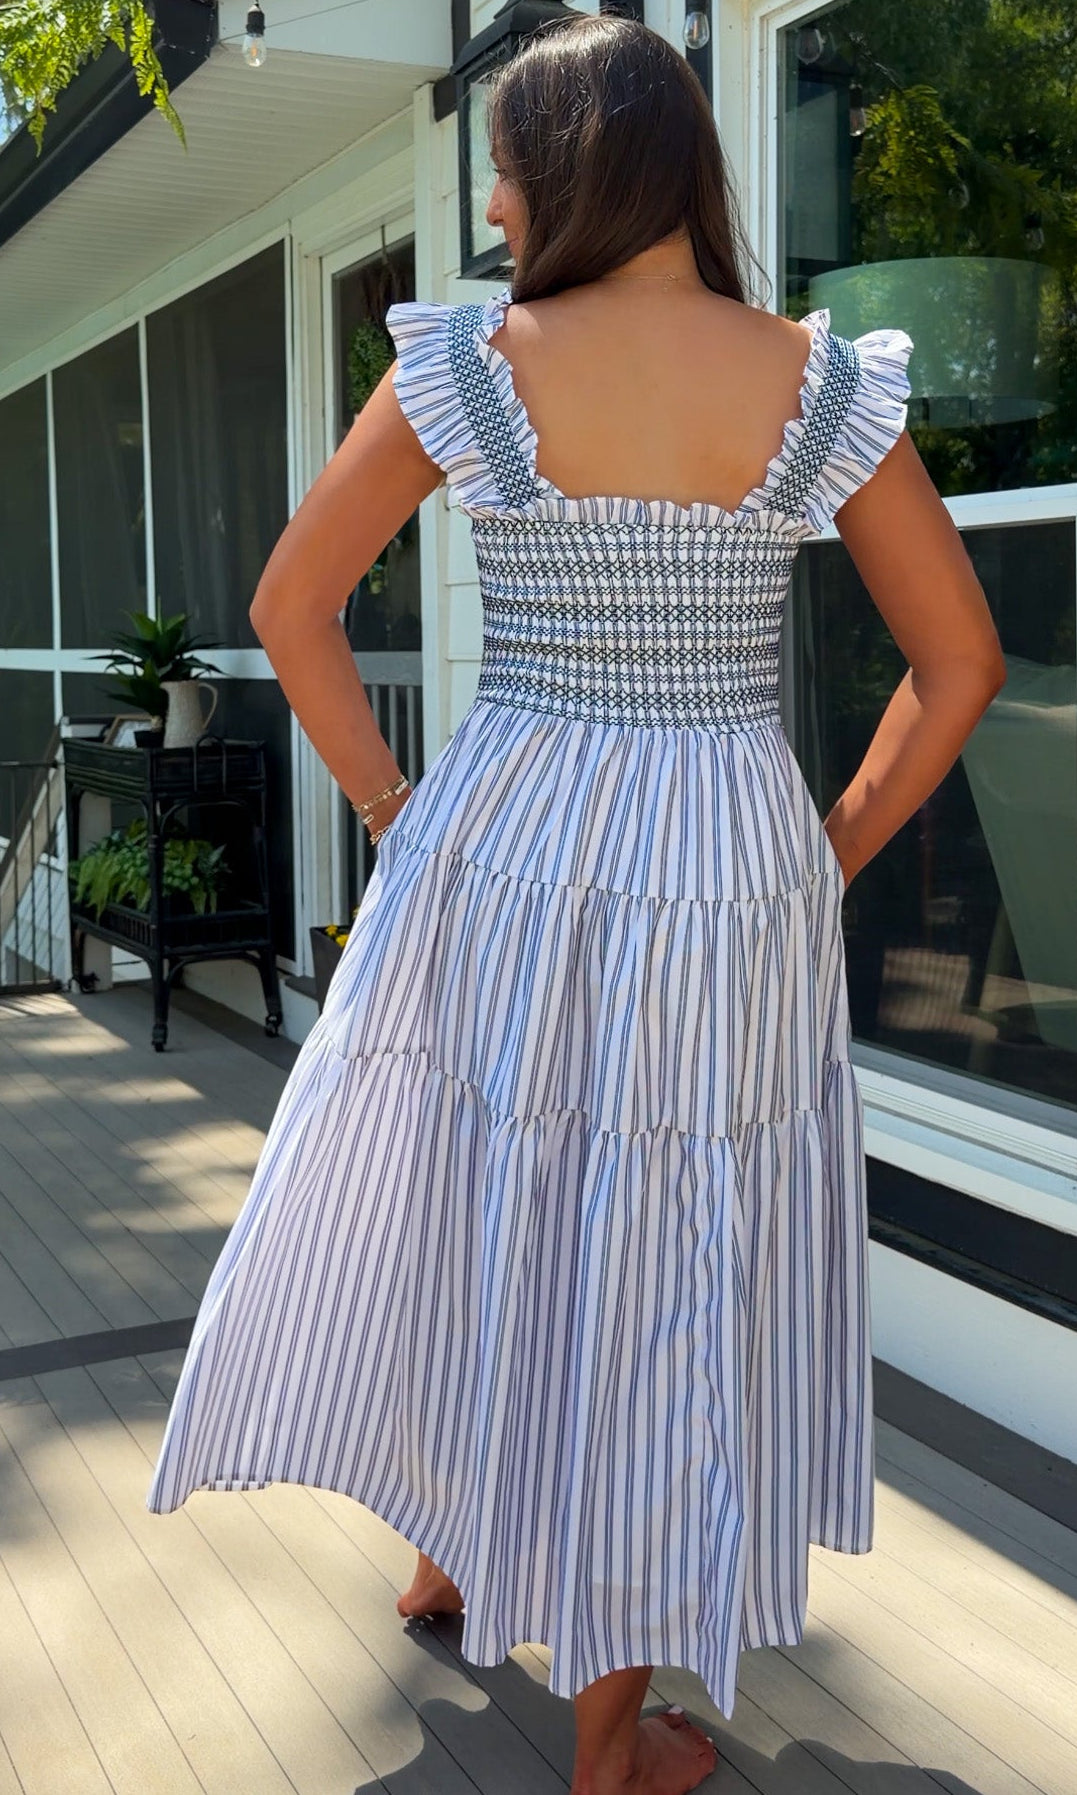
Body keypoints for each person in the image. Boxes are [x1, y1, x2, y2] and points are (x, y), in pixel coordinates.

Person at [145, 14, 1005, 1795]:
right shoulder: (813, 382)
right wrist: (826, 845)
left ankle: (458, 1549)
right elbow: (961, 658)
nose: (495, 209)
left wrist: (395, 809)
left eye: (504, 180)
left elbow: (292, 605)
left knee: (478, 1183)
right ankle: (607, 1738)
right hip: (719, 863)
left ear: (552, 179)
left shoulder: (477, 363)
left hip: (507, 838)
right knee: (661, 1257)